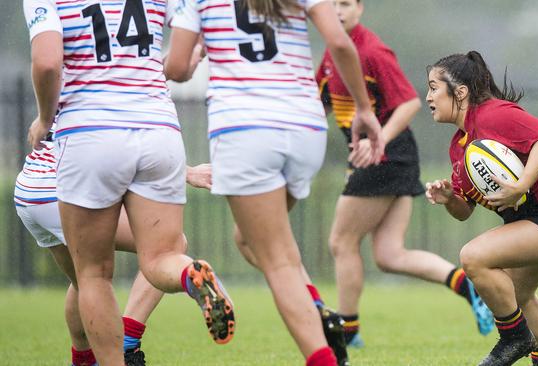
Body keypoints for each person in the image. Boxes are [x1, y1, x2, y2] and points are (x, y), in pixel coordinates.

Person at [164, 0, 384, 365]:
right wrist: (364, 109)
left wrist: (203, 50)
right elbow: (342, 44)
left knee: (277, 260)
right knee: (249, 238)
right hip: (304, 127)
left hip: (244, 129)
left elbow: (176, 67)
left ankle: (323, 352)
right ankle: (314, 303)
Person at [23, 1, 234, 365]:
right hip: (159, 130)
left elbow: (46, 62)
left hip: (89, 134)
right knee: (165, 256)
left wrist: (45, 118)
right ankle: (189, 274)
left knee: (92, 275)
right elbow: (190, 48)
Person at [314, 0, 494, 347]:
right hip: (387, 155)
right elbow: (317, 103)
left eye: (345, 3)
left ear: (359, 8)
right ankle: (468, 287)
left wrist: (378, 138)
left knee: (341, 241)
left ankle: (348, 332)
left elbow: (411, 103)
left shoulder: (372, 51)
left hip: (386, 154)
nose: (337, 10)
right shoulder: (330, 54)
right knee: (390, 255)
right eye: (330, 3)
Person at [424, 51, 538, 366]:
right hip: (537, 222)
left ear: (460, 92)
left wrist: (521, 184)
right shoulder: (459, 145)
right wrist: (450, 198)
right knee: (515, 296)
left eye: (434, 88)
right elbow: (465, 213)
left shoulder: (493, 115)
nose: (428, 97)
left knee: (473, 257)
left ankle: (515, 340)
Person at [14, 129, 212, 366]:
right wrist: (188, 173)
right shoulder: (114, 98)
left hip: (29, 191)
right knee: (170, 246)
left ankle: (84, 360)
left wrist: (44, 118)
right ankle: (127, 343)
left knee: (83, 279)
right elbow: (125, 152)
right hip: (61, 191)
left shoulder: (68, 94)